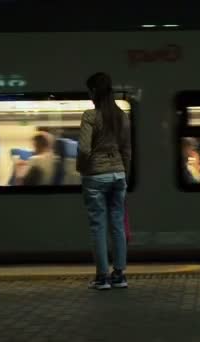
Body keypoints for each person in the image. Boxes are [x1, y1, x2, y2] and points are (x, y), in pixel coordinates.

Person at [77, 72, 131, 290]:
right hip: (118, 174)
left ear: (94, 92)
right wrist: (123, 171)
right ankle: (119, 275)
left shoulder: (90, 116)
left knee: (98, 226)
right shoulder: (122, 116)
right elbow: (127, 150)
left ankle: (102, 277)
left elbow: (83, 148)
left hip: (96, 176)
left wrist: (82, 167)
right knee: (117, 224)